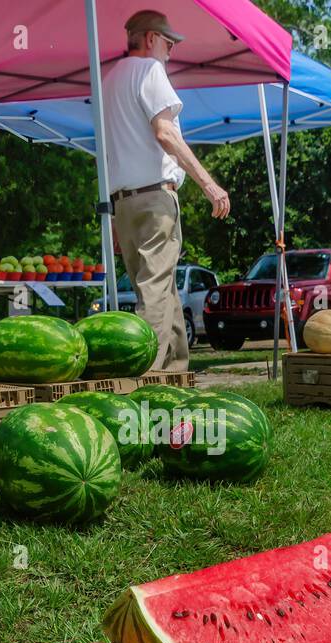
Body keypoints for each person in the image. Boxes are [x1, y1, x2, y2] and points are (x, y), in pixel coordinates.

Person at [102, 10, 230, 372]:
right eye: (169, 42)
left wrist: (113, 216)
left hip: (123, 203)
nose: (171, 51)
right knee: (157, 292)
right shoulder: (150, 70)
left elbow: (109, 152)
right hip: (155, 198)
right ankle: (146, 378)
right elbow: (166, 132)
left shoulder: (108, 81)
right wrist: (208, 183)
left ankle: (175, 374)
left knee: (162, 289)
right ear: (150, 39)